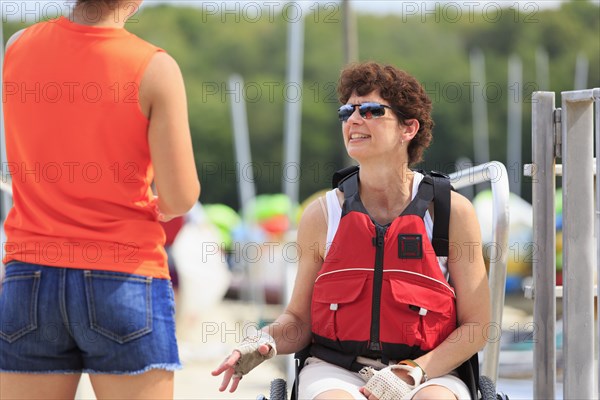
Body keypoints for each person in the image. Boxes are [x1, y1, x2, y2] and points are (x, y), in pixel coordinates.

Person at [212, 61, 490, 400]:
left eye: (372, 111)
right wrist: (263, 342)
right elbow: (299, 321)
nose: (355, 120)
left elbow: (476, 326)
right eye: (348, 112)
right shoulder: (322, 214)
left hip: (429, 369)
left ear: (409, 128)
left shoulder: (451, 212)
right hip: (335, 368)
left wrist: (413, 372)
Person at [0, 1, 199, 399]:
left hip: (30, 275)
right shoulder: (155, 68)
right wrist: (164, 206)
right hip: (124, 274)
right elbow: (181, 195)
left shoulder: (17, 45)